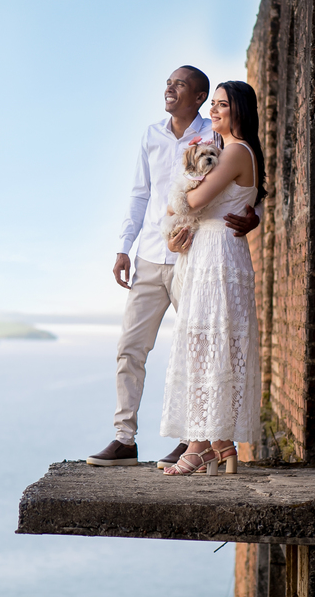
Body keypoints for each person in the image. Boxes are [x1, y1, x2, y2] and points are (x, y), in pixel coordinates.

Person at [86, 68, 259, 468]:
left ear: (198, 96)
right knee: (131, 347)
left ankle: (192, 442)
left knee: (201, 348)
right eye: (168, 82)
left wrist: (254, 217)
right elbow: (140, 194)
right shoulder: (151, 135)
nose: (169, 88)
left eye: (179, 84)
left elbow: (245, 190)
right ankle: (124, 439)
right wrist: (123, 247)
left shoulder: (218, 137)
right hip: (152, 251)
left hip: (197, 256)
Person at [159, 81, 266, 475]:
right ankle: (218, 444)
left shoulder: (235, 151)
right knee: (209, 346)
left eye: (222, 104)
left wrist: (176, 202)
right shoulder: (228, 151)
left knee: (208, 345)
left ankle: (201, 445)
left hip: (217, 256)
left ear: (239, 110)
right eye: (214, 103)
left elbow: (195, 200)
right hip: (210, 251)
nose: (214, 110)